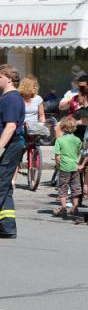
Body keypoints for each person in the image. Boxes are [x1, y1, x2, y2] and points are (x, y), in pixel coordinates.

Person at [0, 65, 26, 239]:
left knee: (1, 183)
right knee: (5, 186)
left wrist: (0, 148)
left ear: (9, 78)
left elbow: (10, 126)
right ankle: (7, 227)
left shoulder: (12, 99)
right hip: (9, 146)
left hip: (9, 146)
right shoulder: (6, 97)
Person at [53, 116, 82, 217]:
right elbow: (79, 153)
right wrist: (77, 163)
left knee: (63, 187)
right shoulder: (77, 140)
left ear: (62, 127)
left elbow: (57, 156)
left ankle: (64, 208)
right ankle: (75, 207)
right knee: (75, 188)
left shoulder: (59, 140)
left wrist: (58, 166)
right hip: (74, 166)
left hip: (64, 167)